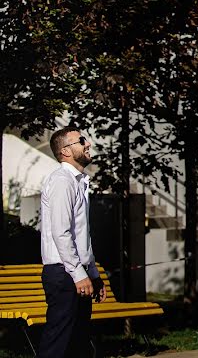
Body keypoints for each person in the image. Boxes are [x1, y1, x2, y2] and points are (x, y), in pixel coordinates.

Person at [38, 126, 106, 358]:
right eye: (82, 140)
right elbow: (61, 233)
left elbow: (81, 236)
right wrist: (79, 274)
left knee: (77, 344)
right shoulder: (61, 181)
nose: (88, 144)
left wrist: (93, 274)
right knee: (58, 345)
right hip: (64, 274)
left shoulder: (78, 181)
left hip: (75, 272)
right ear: (66, 151)